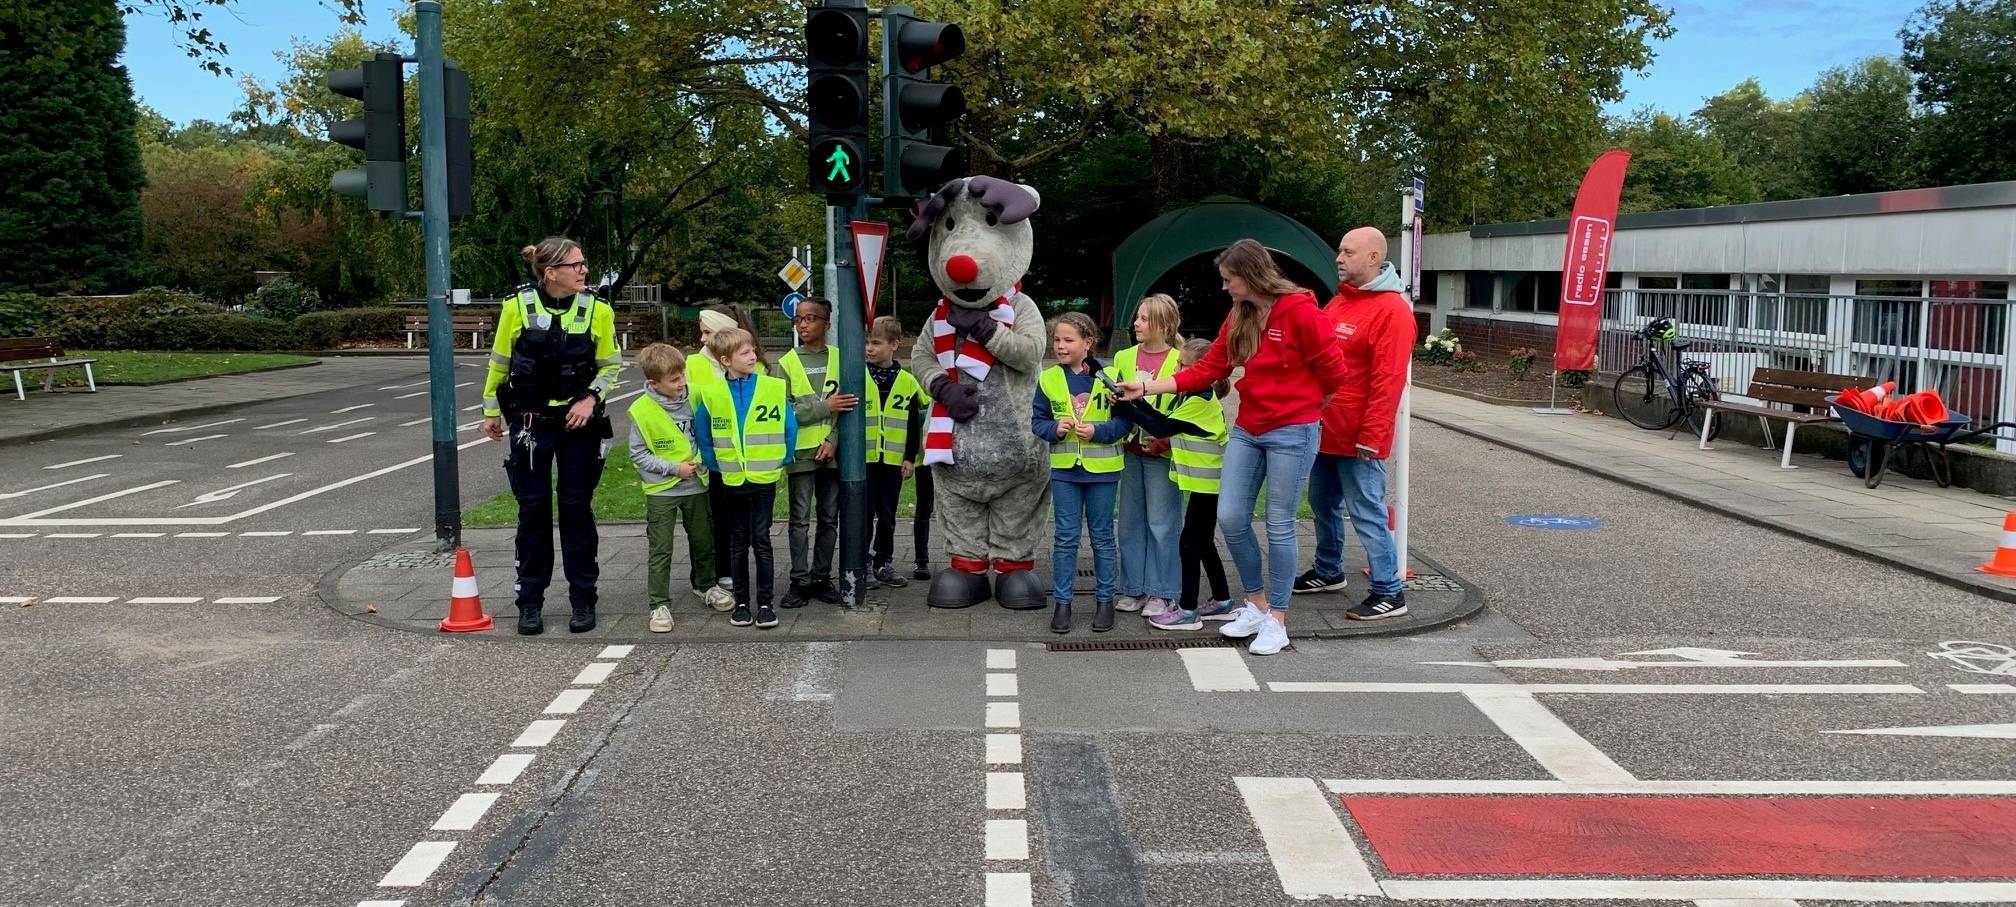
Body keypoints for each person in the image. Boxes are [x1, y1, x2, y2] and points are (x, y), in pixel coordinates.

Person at [1119, 239, 1349, 655]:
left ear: (1251, 275)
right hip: (1249, 428)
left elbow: (1335, 372)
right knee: (1230, 516)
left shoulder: (1300, 312)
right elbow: (1210, 368)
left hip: (1292, 432)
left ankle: (1277, 619)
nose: (1225, 288)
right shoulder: (1240, 314)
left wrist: (1309, 411)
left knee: (1279, 523)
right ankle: (1256, 604)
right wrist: (1148, 387)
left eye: (1229, 280)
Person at [481, 237, 623, 636]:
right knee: (533, 512)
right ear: (551, 272)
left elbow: (611, 367)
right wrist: (491, 410)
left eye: (584, 263)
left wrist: (590, 399)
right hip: (530, 424)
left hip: (579, 425)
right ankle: (530, 602)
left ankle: (583, 599)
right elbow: (500, 361)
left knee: (577, 510)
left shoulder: (598, 310)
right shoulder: (516, 307)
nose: (584, 271)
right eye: (576, 265)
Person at [1300, 227, 1416, 619]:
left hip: (1358, 437)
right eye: (1339, 251)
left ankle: (1389, 590)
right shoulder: (1339, 304)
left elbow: (1389, 381)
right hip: (1326, 429)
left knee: (1365, 509)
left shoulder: (1392, 311)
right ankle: (1329, 570)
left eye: (1348, 252)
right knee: (1321, 502)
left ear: (1373, 258)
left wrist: (1373, 435)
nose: (1339, 258)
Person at [1115, 338, 1237, 631]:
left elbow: (1160, 429)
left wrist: (1125, 407)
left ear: (1203, 372)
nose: (1178, 370)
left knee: (1189, 543)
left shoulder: (1199, 400)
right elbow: (1163, 419)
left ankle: (1188, 610)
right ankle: (1222, 601)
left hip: (1208, 485)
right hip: (1204, 484)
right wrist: (1137, 402)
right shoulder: (1191, 396)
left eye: (1183, 365)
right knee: (1204, 542)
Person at [693, 327, 795, 629]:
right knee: (738, 541)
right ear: (726, 360)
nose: (753, 356)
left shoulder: (773, 387)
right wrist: (718, 466)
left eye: (753, 350)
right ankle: (741, 602)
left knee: (761, 539)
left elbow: (788, 427)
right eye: (745, 353)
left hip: (764, 478)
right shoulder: (711, 394)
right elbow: (704, 436)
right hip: (731, 480)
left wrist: (782, 459)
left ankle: (765, 603)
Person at [1033, 313, 1128, 634]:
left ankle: (1105, 602)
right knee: (1065, 539)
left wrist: (1099, 431)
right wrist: (1054, 429)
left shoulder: (1111, 375)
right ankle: (1063, 604)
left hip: (1103, 472)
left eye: (1068, 340)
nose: (1060, 346)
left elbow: (1125, 421)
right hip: (1065, 473)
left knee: (1102, 538)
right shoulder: (1048, 379)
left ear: (1088, 343)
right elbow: (1037, 421)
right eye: (1057, 340)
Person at [629, 343, 729, 634]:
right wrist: (674, 468)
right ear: (653, 383)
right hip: (663, 490)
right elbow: (638, 454)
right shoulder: (642, 410)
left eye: (682, 375)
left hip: (697, 485)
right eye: (674, 380)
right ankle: (659, 604)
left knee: (703, 541)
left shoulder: (696, 395)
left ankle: (706, 586)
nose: (682, 382)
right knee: (661, 549)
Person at [777, 298, 858, 607]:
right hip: (800, 455)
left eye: (811, 319)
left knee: (829, 518)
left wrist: (833, 439)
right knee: (799, 519)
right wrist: (824, 406)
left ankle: (822, 577)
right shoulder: (786, 362)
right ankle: (799, 580)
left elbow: (849, 407)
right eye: (799, 319)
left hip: (831, 454)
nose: (803, 324)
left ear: (827, 324)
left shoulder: (841, 359)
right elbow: (784, 410)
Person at [1109, 294, 1186, 617]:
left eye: (1143, 319)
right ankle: (1132, 587)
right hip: (1130, 450)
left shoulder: (1180, 359)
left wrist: (1166, 441)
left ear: (1163, 324)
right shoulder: (1124, 356)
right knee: (1129, 522)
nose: (1136, 323)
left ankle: (1163, 590)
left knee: (1162, 523)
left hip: (1163, 453)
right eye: (1137, 317)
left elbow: (1187, 407)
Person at [691, 304, 767, 607]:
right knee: (715, 517)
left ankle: (737, 571)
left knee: (744, 520)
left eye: (707, 332)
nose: (702, 339)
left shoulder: (754, 366)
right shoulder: (695, 364)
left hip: (749, 458)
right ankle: (715, 573)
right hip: (714, 455)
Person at [864, 316, 927, 588]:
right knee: (863, 514)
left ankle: (883, 562)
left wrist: (909, 458)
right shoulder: (857, 376)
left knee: (887, 514)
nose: (869, 348)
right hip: (863, 461)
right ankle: (861, 563)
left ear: (894, 345)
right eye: (866, 342)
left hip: (892, 461)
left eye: (875, 343)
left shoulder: (908, 382)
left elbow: (914, 424)